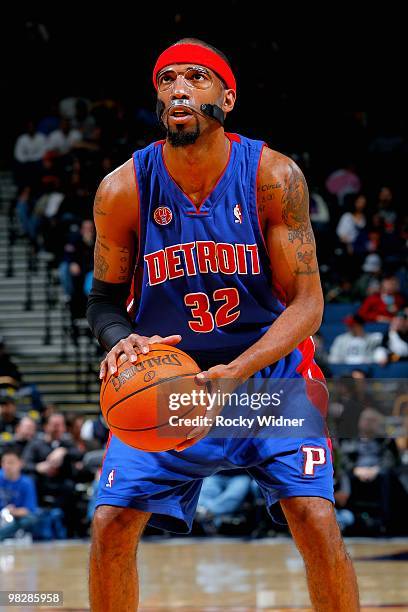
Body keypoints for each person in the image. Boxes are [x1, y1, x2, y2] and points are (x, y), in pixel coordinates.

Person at [87, 39, 359, 611]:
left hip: (264, 380)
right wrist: (119, 339)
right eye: (166, 80)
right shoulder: (122, 189)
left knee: (313, 516)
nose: (178, 88)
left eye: (196, 77)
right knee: (111, 523)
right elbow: (104, 302)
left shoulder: (272, 175)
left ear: (227, 97)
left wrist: (238, 369)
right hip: (172, 388)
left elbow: (309, 304)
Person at [0, 448, 38, 541]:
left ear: (20, 463)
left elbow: (29, 510)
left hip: (16, 519)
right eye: (4, 462)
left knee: (30, 519)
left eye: (11, 462)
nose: (7, 466)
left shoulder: (27, 483)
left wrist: (13, 511)